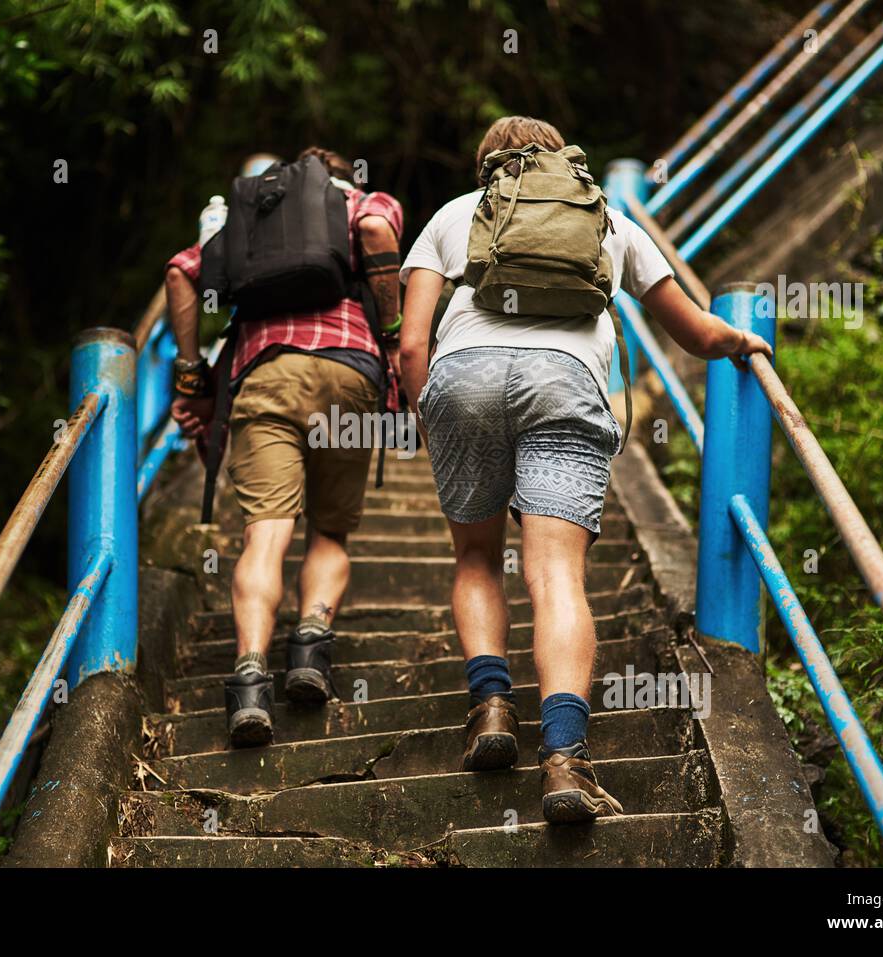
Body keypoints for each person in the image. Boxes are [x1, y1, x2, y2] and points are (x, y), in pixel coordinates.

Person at [398, 116, 772, 823]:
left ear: (488, 165)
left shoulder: (454, 214)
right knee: (557, 574)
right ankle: (566, 762)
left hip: (463, 378)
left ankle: (491, 711)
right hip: (566, 381)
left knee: (477, 556)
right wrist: (742, 337)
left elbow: (411, 343)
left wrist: (432, 421)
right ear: (562, 159)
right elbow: (694, 332)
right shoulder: (608, 217)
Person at [164, 146, 404, 748]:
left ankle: (249, 675)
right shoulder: (361, 200)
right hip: (351, 374)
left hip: (263, 373)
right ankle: (308, 650)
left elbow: (179, 274)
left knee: (265, 531)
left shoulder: (254, 218)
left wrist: (193, 376)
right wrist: (395, 335)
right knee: (329, 533)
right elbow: (376, 230)